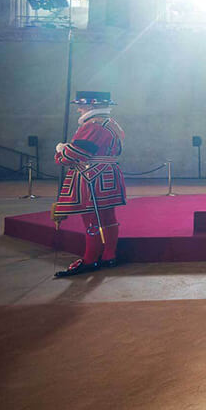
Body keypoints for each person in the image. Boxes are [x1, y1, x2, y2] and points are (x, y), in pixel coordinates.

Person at [52, 91, 126, 277]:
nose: (79, 109)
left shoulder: (93, 125)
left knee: (91, 219)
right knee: (108, 217)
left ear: (92, 106)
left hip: (91, 176)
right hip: (108, 173)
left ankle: (90, 259)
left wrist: (61, 152)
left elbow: (76, 154)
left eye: (82, 105)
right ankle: (109, 255)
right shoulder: (112, 124)